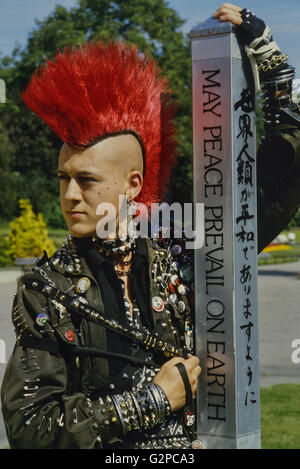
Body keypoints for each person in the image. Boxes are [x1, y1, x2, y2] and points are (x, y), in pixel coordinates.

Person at [1, 4, 300, 449]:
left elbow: (280, 178)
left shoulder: (181, 251)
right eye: (63, 178)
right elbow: (31, 429)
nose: (68, 196)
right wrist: (155, 399)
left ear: (132, 184)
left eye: (86, 180)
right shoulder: (45, 288)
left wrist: (269, 65)